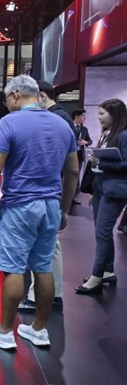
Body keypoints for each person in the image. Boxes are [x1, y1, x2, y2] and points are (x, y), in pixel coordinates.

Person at [0, 75, 78, 350]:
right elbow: (73, 171)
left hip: (20, 205)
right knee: (43, 267)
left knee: (13, 268)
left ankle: (5, 332)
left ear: (16, 95)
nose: (6, 105)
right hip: (51, 206)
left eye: (6, 99)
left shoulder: (10, 122)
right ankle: (40, 330)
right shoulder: (62, 123)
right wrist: (64, 209)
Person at [19, 82, 75, 312]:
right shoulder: (60, 118)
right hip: (51, 191)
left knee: (46, 249)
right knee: (48, 246)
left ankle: (42, 297)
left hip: (47, 191)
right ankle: (51, 295)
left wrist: (64, 207)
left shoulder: (57, 119)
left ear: (41, 96)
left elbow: (68, 168)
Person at [75, 98, 127, 293]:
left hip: (114, 191)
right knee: (102, 232)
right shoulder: (107, 134)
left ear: (114, 114)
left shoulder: (123, 136)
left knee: (103, 233)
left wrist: (100, 163)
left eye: (102, 114)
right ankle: (107, 271)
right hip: (101, 188)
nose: (98, 118)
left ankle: (96, 276)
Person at [71, 108, 92, 204]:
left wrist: (86, 142)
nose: (85, 118)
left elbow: (90, 141)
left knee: (76, 175)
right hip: (69, 155)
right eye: (83, 116)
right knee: (67, 175)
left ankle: (73, 197)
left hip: (79, 155)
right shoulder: (68, 126)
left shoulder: (84, 129)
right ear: (77, 117)